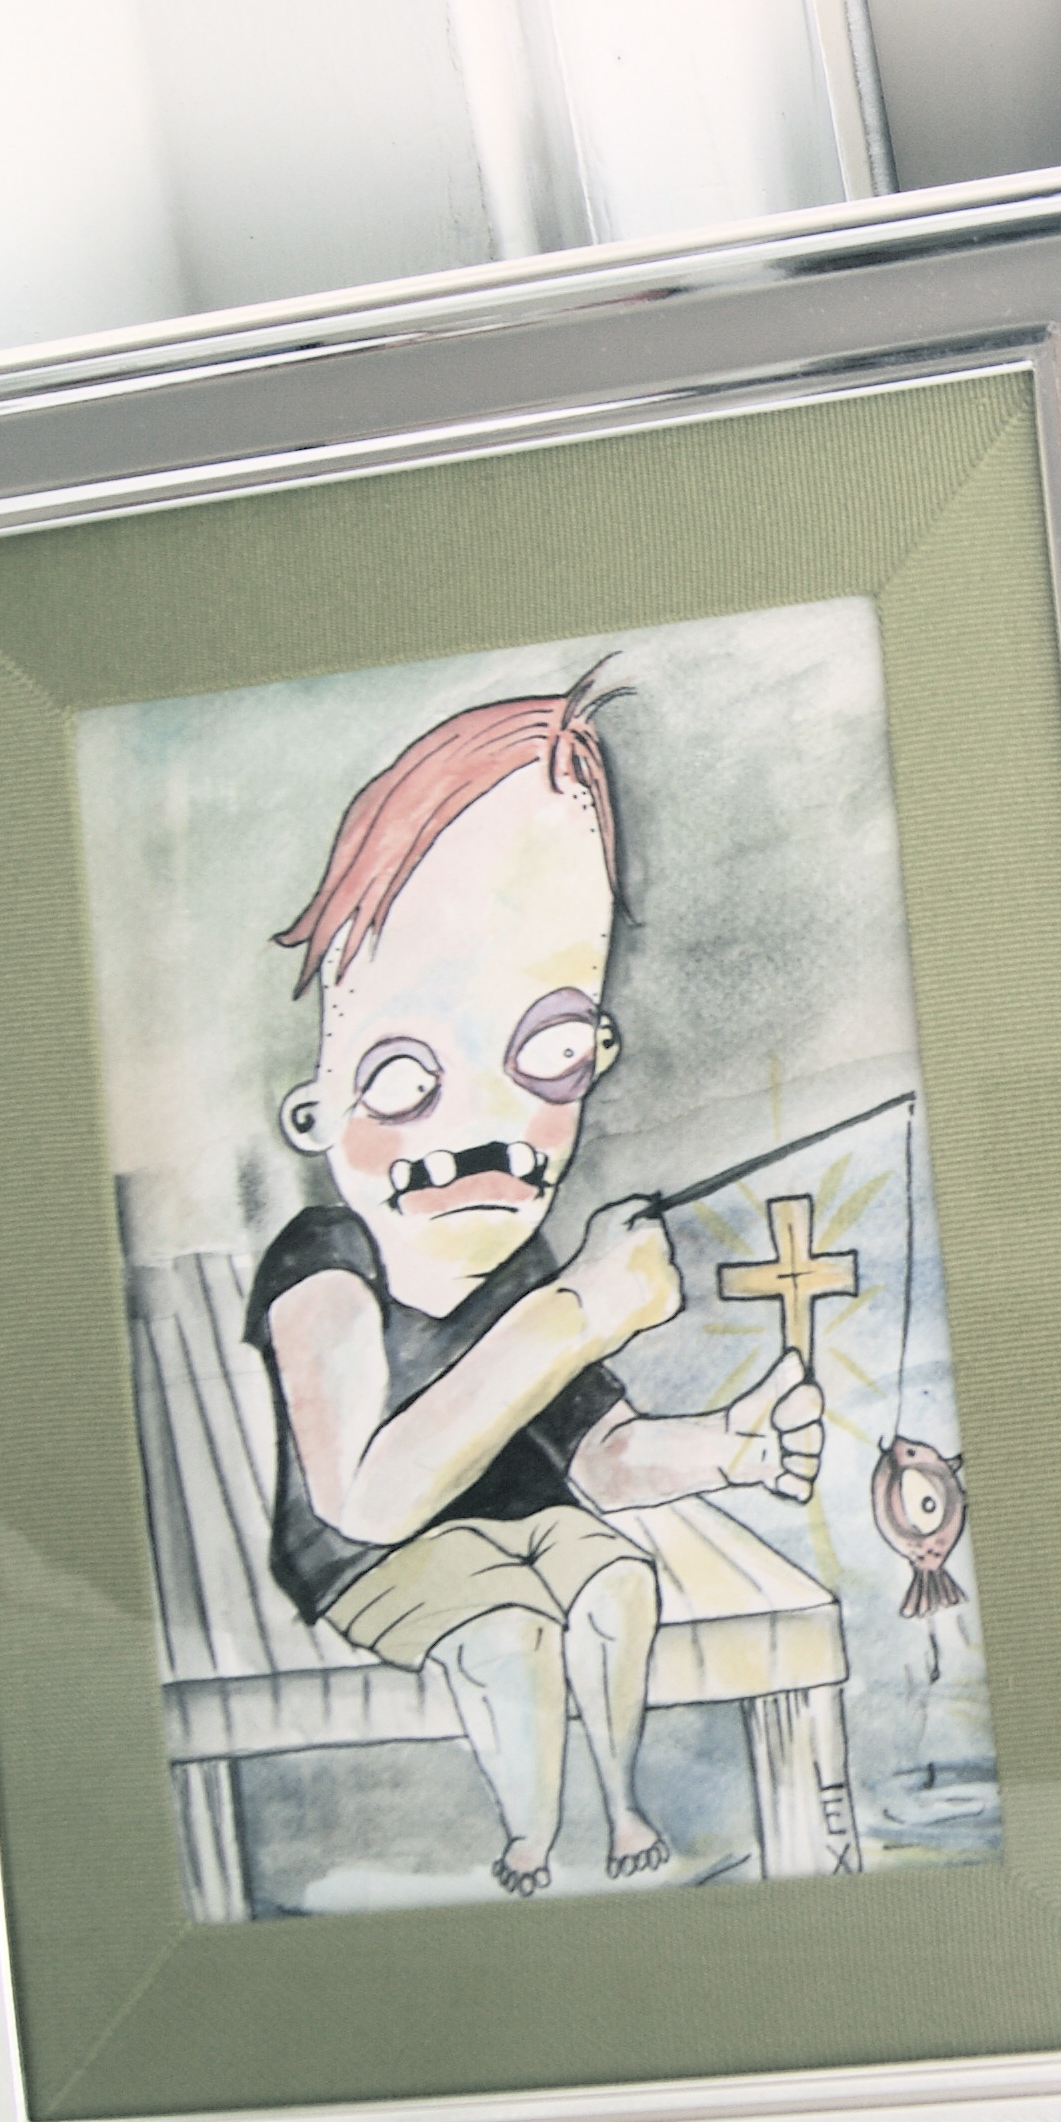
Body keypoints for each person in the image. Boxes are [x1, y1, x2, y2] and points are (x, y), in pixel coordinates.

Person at [244, 657, 823, 1898]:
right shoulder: (325, 1261)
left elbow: (602, 1459)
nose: (482, 1123)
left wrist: (731, 1448)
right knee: (510, 1633)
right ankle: (527, 1844)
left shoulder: (522, 1271)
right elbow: (369, 1495)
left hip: (523, 1523)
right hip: (375, 1557)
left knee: (615, 1582)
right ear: (316, 1107)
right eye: (405, 1074)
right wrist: (576, 1315)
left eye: (548, 1052)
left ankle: (619, 1808)